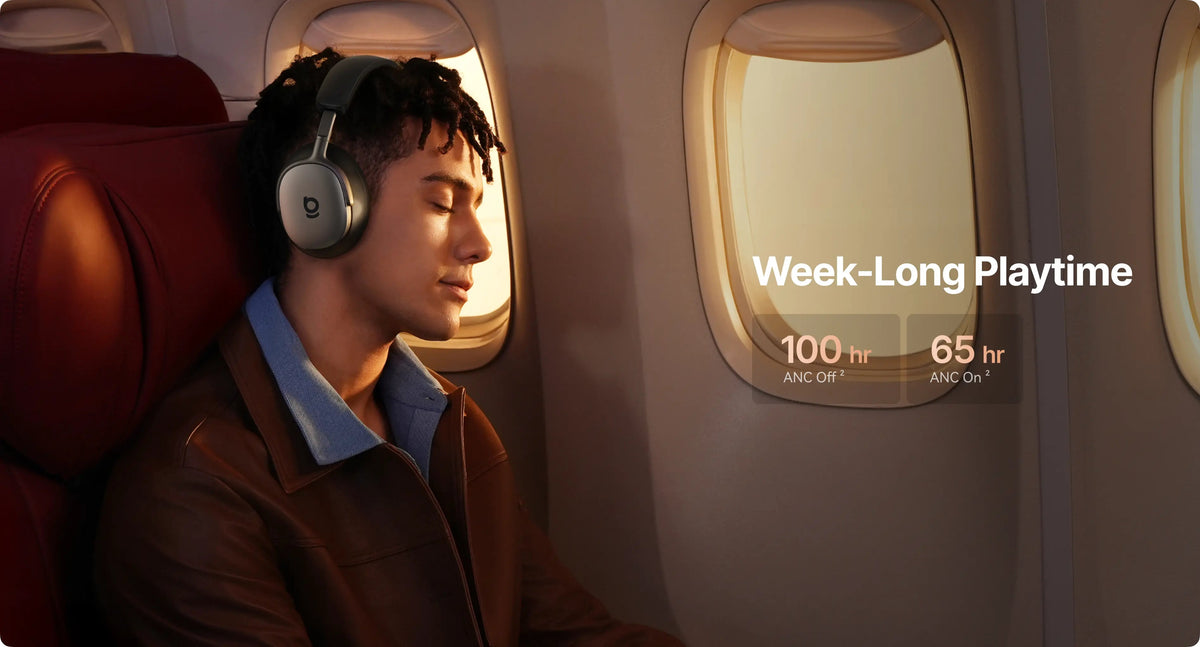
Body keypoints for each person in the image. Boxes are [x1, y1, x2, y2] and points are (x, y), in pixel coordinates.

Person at [94, 48, 684, 646]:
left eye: (475, 208)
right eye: (441, 203)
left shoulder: (448, 425)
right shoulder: (197, 490)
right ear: (318, 209)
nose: (480, 245)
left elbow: (571, 634)